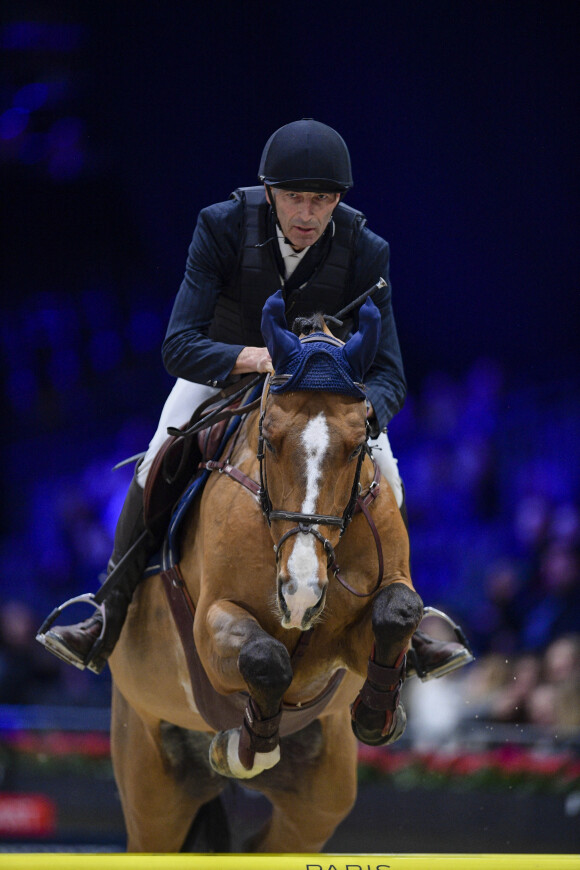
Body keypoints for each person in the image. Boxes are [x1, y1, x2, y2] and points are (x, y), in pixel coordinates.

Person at [37, 119, 473, 679]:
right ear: (270, 193)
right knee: (155, 463)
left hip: (326, 397)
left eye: (321, 200)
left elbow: (389, 373)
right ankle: (106, 613)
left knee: (388, 477)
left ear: (337, 199)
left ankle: (407, 631)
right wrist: (256, 359)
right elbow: (178, 344)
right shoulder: (220, 227)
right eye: (295, 197)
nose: (308, 214)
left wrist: (365, 414)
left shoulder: (367, 249)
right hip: (227, 372)